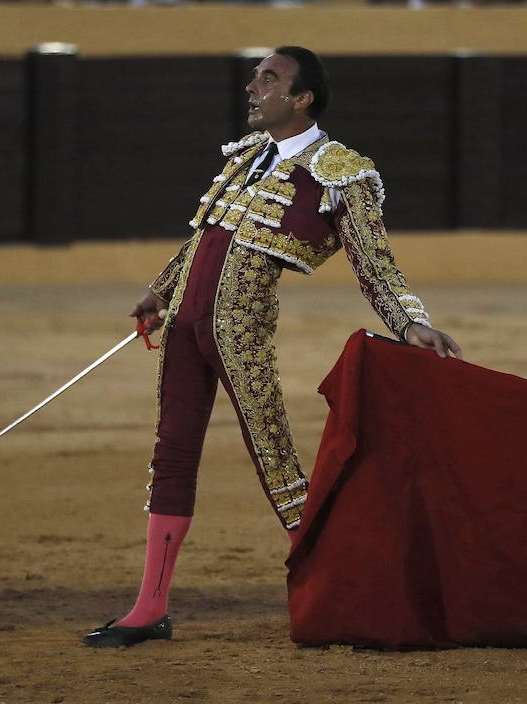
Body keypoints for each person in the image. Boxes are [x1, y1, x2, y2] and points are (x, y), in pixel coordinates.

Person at [81, 46, 462, 648]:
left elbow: (372, 259)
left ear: (302, 97)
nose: (252, 87)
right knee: (172, 458)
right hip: (183, 326)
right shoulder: (245, 160)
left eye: (269, 78)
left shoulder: (341, 170)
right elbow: (205, 239)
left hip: (240, 330)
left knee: (277, 462)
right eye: (256, 76)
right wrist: (161, 290)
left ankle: (350, 594)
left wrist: (409, 322)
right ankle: (149, 608)